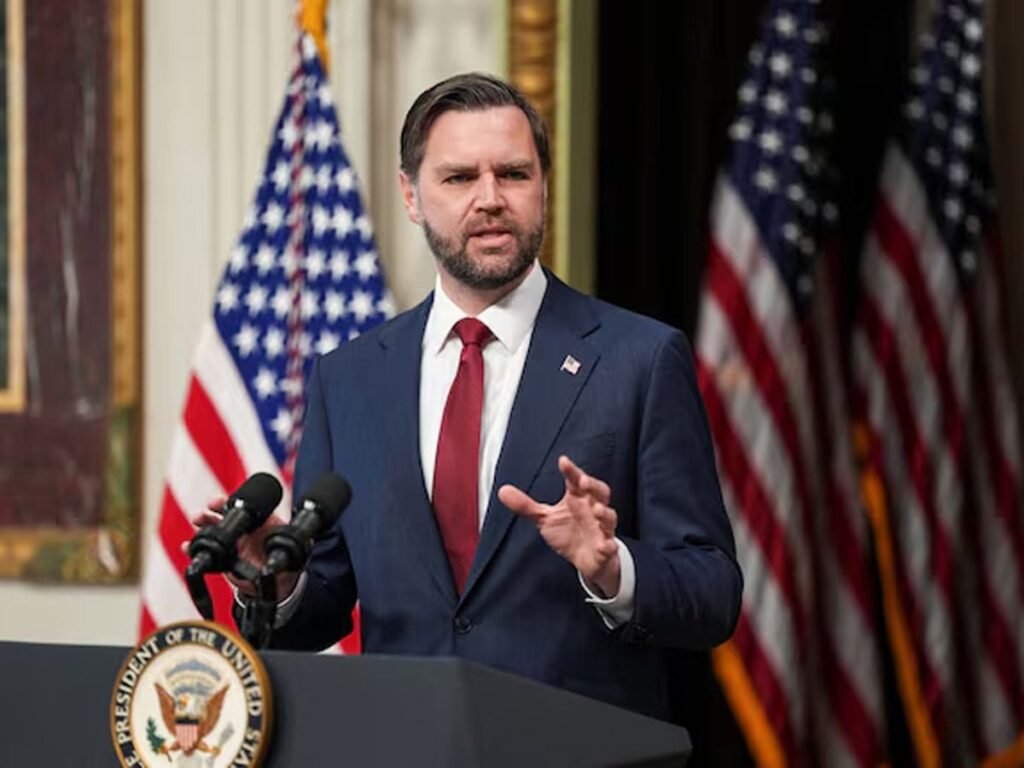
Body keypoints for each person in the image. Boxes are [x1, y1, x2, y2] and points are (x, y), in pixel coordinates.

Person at [195, 72, 742, 721]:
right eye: (459, 178)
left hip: (576, 748)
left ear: (543, 186)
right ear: (411, 195)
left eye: (513, 174)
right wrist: (277, 581)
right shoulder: (349, 379)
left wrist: (612, 566)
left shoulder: (640, 360)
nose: (490, 199)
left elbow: (713, 594)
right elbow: (324, 605)